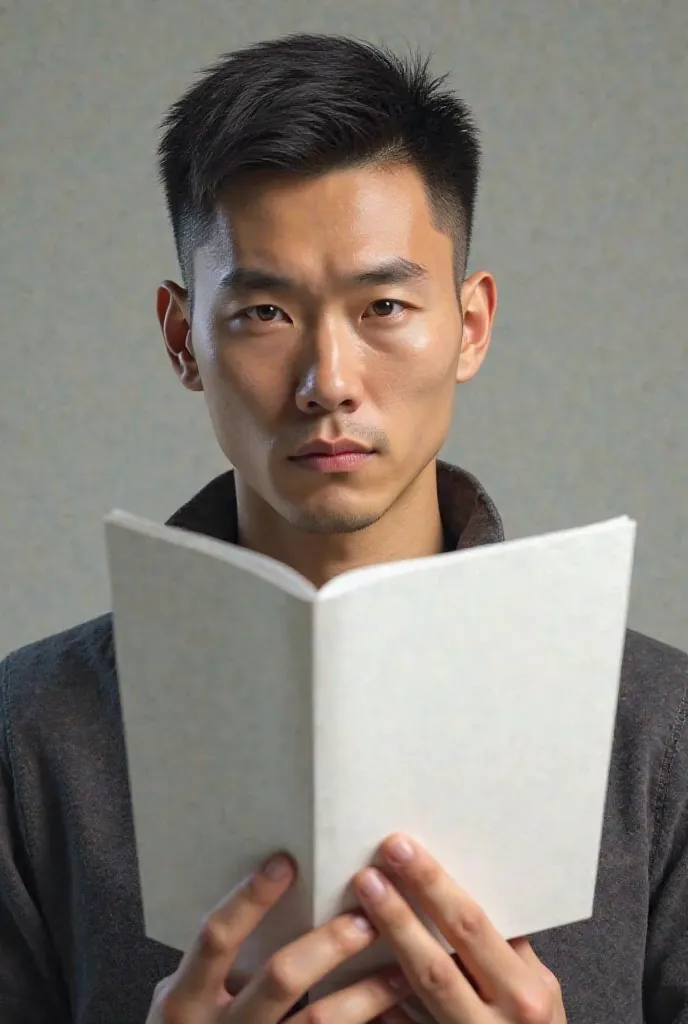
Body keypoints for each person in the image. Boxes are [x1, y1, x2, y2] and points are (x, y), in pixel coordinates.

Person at [0, 32, 685, 1024]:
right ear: (179, 337)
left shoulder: (659, 734)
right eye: (264, 313)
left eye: (385, 305)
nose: (328, 382)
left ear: (471, 324)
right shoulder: (28, 738)